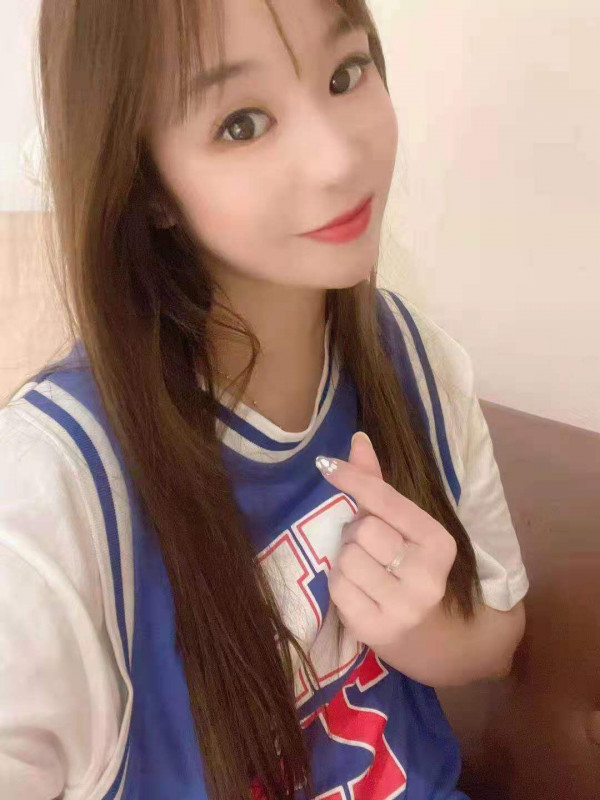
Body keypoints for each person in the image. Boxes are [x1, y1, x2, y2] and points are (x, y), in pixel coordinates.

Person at [0, 0, 529, 798]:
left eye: (345, 74)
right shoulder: (51, 501)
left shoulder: (418, 364)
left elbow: (501, 637)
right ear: (147, 187)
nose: (337, 159)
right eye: (242, 124)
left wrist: (427, 632)